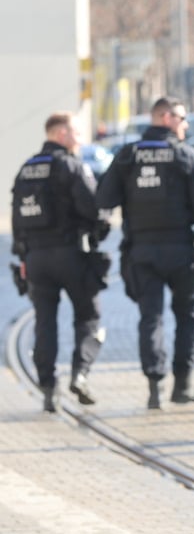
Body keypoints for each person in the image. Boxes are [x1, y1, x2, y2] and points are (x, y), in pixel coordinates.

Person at [96, 97, 194, 410]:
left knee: (151, 319)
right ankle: (182, 387)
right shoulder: (185, 156)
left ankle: (154, 388)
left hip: (141, 251)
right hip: (182, 252)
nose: (185, 125)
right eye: (182, 118)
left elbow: (103, 198)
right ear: (166, 117)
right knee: (189, 318)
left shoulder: (127, 155)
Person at [11, 112, 109, 412]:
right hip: (71, 255)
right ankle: (80, 374)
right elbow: (94, 209)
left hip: (37, 259)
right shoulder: (70, 165)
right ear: (61, 133)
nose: (80, 137)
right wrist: (100, 230)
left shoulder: (25, 169)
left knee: (44, 323)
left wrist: (24, 257)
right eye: (76, 131)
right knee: (88, 316)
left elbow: (17, 221)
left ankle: (48, 387)